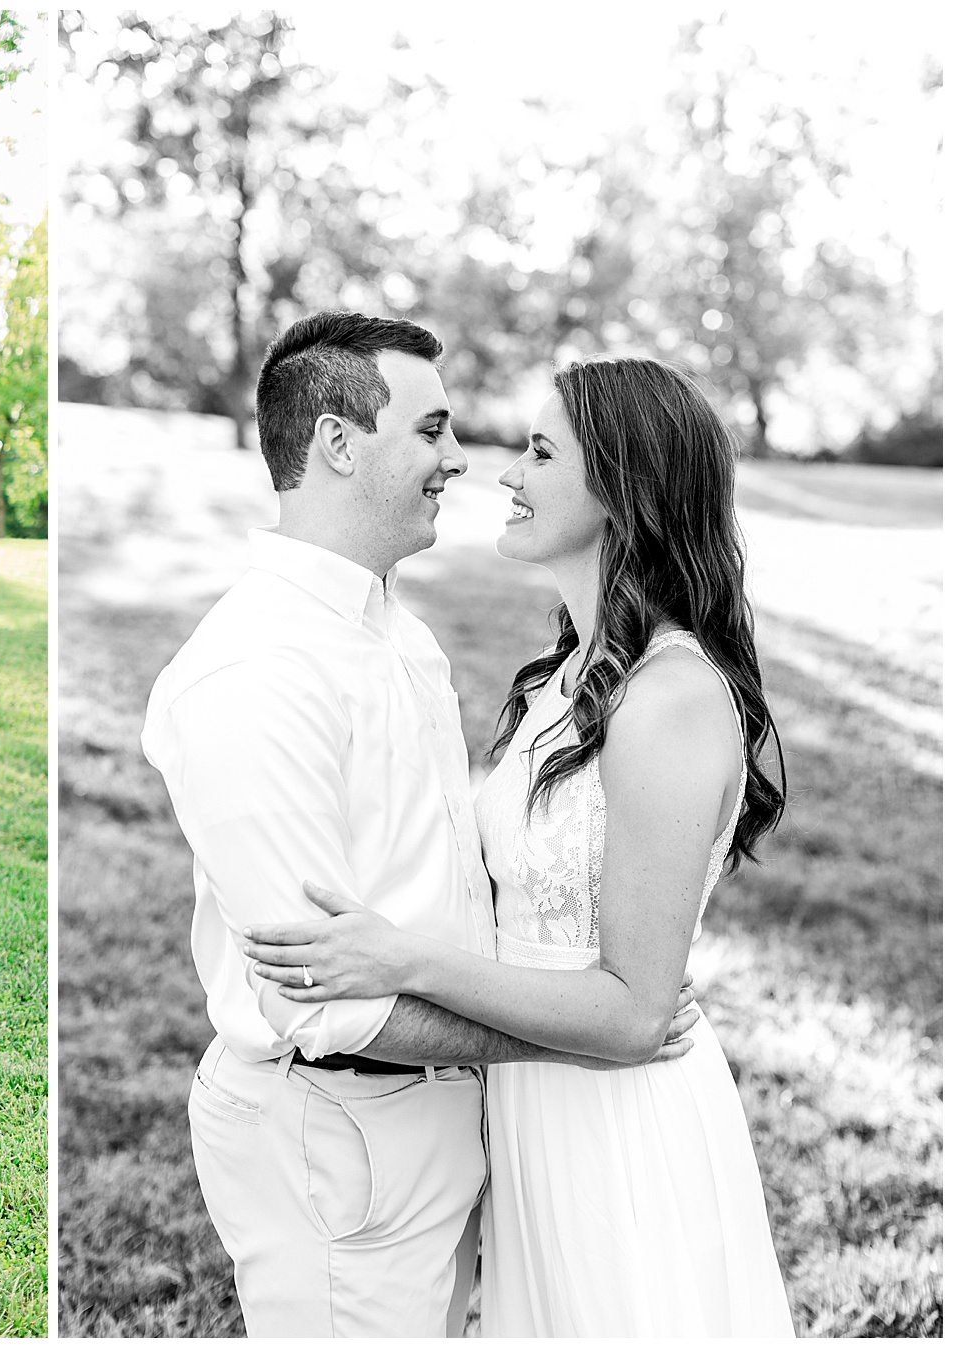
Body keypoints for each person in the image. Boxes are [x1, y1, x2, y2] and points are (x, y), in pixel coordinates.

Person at [140, 314, 695, 1337]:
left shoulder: (395, 632)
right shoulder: (257, 674)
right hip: (342, 1132)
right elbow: (324, 1006)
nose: (459, 459)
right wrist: (592, 1035)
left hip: (442, 1123)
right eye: (433, 430)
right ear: (339, 443)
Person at [243, 355, 794, 1335]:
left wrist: (402, 956)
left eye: (540, 452)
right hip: (533, 1107)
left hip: (619, 1130)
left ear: (626, 486)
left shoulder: (669, 697)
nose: (505, 473)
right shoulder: (566, 677)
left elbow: (633, 1013)